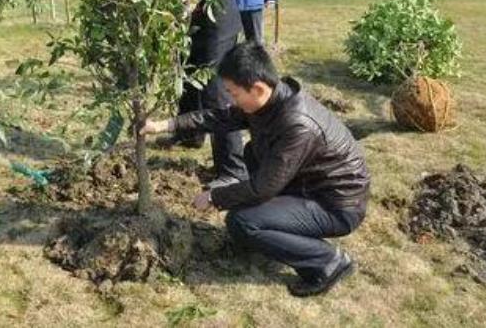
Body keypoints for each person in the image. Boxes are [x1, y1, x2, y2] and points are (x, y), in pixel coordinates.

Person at [142, 42, 370, 297]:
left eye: (234, 93)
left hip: (336, 205)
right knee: (252, 154)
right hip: (309, 185)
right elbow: (219, 118)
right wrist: (166, 125)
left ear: (258, 88)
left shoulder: (297, 125)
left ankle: (327, 261)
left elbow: (264, 187)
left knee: (242, 222)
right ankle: (273, 228)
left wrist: (215, 197)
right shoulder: (270, 100)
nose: (232, 100)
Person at [165, 0, 247, 188]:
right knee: (188, 79)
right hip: (194, 30)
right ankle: (189, 135)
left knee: (216, 93)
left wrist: (173, 13)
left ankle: (233, 169)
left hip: (218, 30)